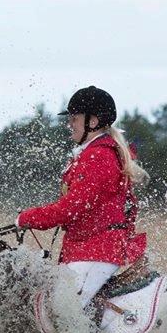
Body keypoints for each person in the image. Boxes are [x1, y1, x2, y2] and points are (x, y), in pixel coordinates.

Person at [17, 85, 149, 310]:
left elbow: (71, 208)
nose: (70, 124)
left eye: (74, 118)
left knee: (61, 313)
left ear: (93, 122)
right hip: (87, 247)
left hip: (98, 250)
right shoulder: (93, 152)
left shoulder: (99, 156)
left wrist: (27, 218)